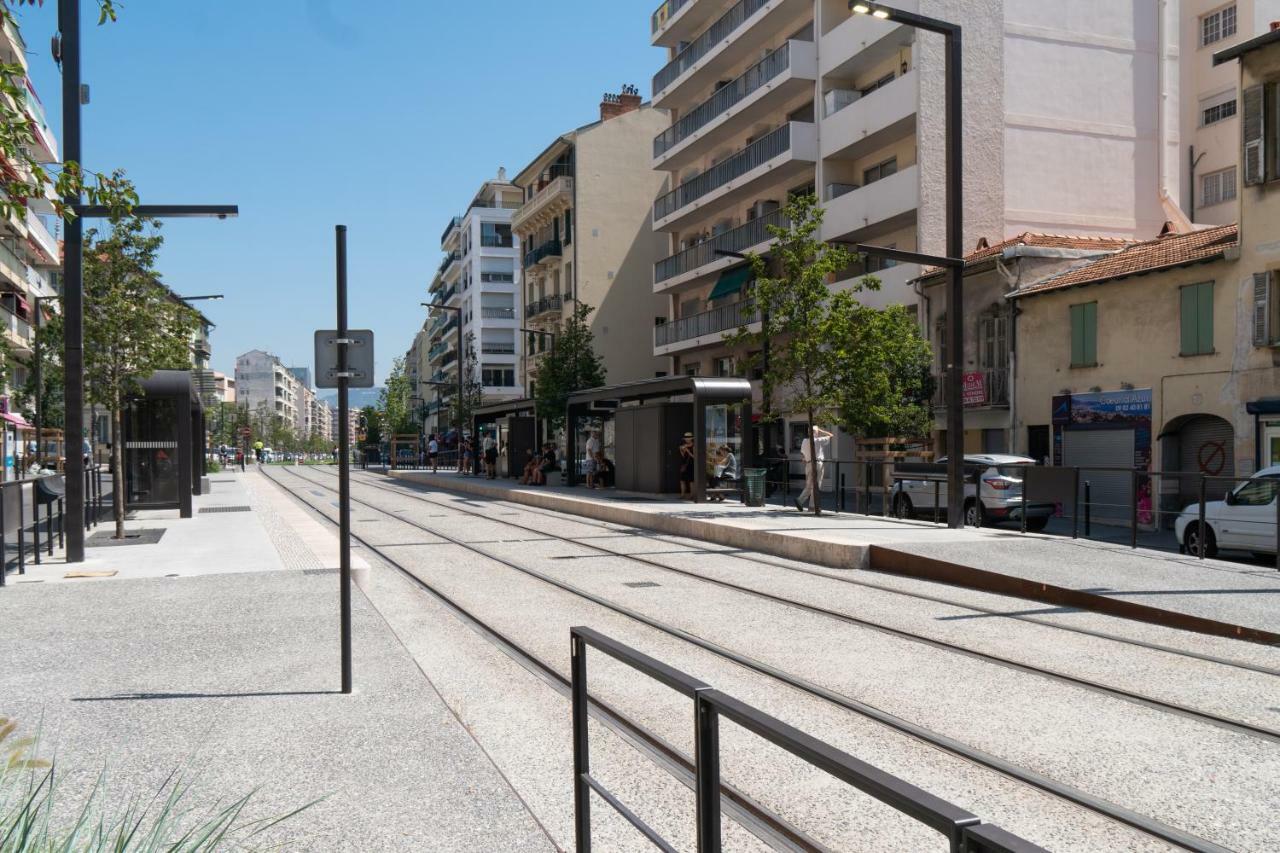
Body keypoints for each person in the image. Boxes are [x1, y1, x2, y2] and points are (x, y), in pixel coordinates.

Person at [797, 426, 833, 512]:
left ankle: (800, 500)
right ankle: (812, 506)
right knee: (816, 485)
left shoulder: (804, 441)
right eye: (817, 432)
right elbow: (831, 435)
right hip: (817, 463)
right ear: (816, 432)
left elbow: (803, 453)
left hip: (808, 463)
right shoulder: (819, 440)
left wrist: (805, 458)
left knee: (809, 485)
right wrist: (821, 430)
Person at [678, 432, 695, 499]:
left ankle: (692, 495)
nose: (687, 439)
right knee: (682, 480)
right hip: (684, 464)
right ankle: (682, 495)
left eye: (688, 438)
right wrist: (682, 450)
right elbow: (683, 456)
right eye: (686, 438)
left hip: (691, 464)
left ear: (691, 439)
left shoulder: (694, 446)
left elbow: (694, 457)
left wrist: (687, 450)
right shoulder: (683, 445)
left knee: (691, 481)